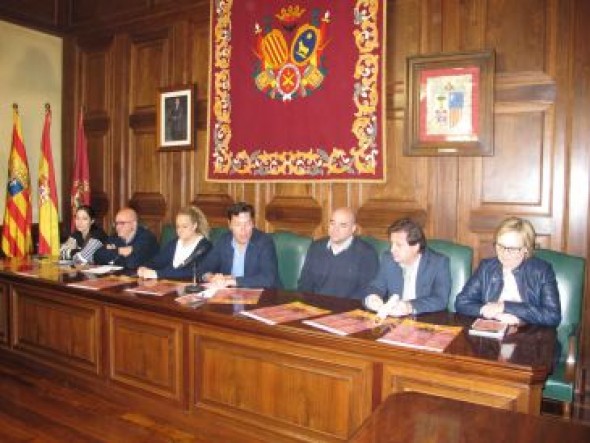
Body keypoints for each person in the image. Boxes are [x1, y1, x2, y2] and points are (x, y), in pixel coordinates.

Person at [455, 217, 561, 327]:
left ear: (526, 248)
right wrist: (491, 312)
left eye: (512, 249)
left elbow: (552, 316)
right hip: (491, 334)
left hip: (530, 337)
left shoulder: (542, 271)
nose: (504, 253)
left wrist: (504, 307)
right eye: (500, 246)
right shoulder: (486, 267)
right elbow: (461, 302)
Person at [364, 218, 451, 316]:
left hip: (425, 319)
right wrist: (372, 298)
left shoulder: (438, 262)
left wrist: (410, 306)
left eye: (399, 245)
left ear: (416, 246)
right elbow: (376, 286)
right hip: (394, 320)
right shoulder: (388, 258)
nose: (392, 249)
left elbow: (440, 299)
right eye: (391, 243)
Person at [297, 207, 378, 299]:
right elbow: (305, 283)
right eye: (332, 223)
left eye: (342, 225)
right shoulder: (316, 247)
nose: (335, 229)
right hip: (316, 306)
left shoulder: (366, 253)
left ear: (353, 228)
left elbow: (366, 291)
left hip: (348, 309)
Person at [199, 202, 280, 288]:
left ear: (253, 223)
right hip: (230, 296)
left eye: (247, 224)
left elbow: (267, 279)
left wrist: (232, 281)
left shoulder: (264, 242)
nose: (243, 230)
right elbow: (203, 268)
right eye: (238, 224)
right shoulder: (224, 241)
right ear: (230, 225)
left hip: (264, 296)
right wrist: (211, 278)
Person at [137, 206, 212, 280]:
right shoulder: (174, 243)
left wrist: (157, 274)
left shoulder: (205, 247)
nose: (180, 230)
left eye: (184, 226)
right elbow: (157, 261)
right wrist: (144, 267)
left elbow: (192, 272)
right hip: (167, 286)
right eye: (178, 226)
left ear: (194, 226)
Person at [94, 207, 159, 270]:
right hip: (120, 277)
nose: (118, 227)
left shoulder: (147, 238)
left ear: (134, 224)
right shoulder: (115, 237)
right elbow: (97, 256)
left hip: (146, 279)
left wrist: (112, 254)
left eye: (122, 223)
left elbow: (132, 264)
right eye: (116, 223)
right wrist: (120, 250)